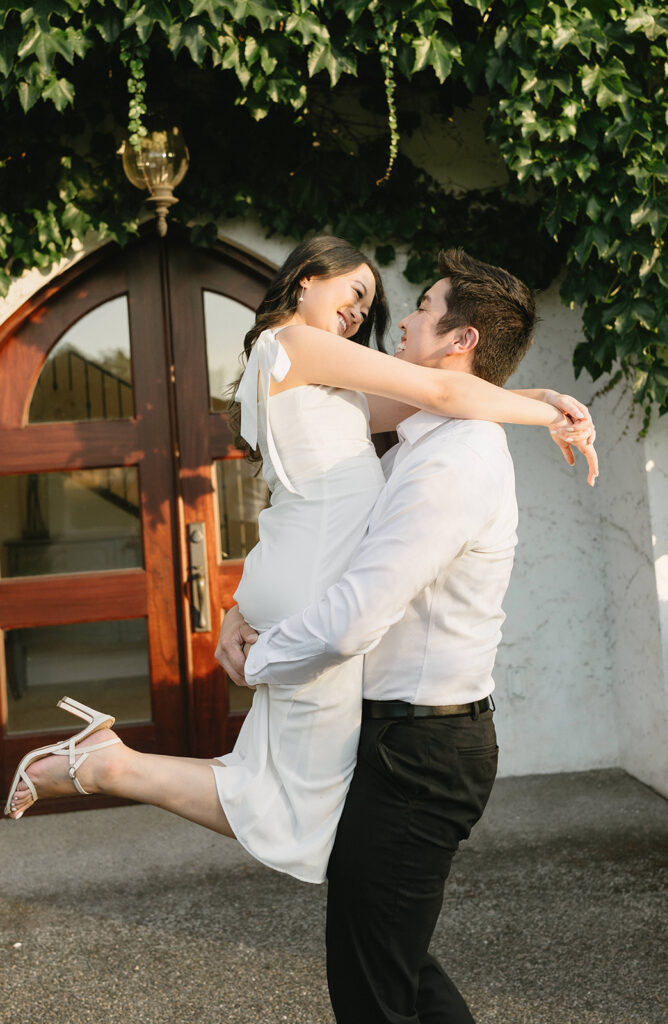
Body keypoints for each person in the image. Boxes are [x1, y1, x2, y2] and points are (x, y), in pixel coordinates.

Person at [5, 239, 595, 893]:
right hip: (317, 583)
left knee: (274, 782)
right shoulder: (294, 343)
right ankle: (103, 766)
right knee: (303, 812)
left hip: (294, 568)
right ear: (309, 280)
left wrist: (535, 392)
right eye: (354, 295)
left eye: (366, 305)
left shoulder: (300, 369)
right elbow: (439, 389)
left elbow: (441, 397)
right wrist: (552, 415)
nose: (360, 313)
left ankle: (107, 764)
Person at [218, 247, 598, 1023]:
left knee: (375, 984)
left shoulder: (451, 460)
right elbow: (329, 515)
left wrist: (265, 658)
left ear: (458, 338)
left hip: (424, 750)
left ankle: (104, 767)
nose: (390, 318)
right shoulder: (411, 441)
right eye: (357, 294)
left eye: (417, 306)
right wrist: (243, 606)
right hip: (397, 738)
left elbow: (357, 609)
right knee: (392, 968)